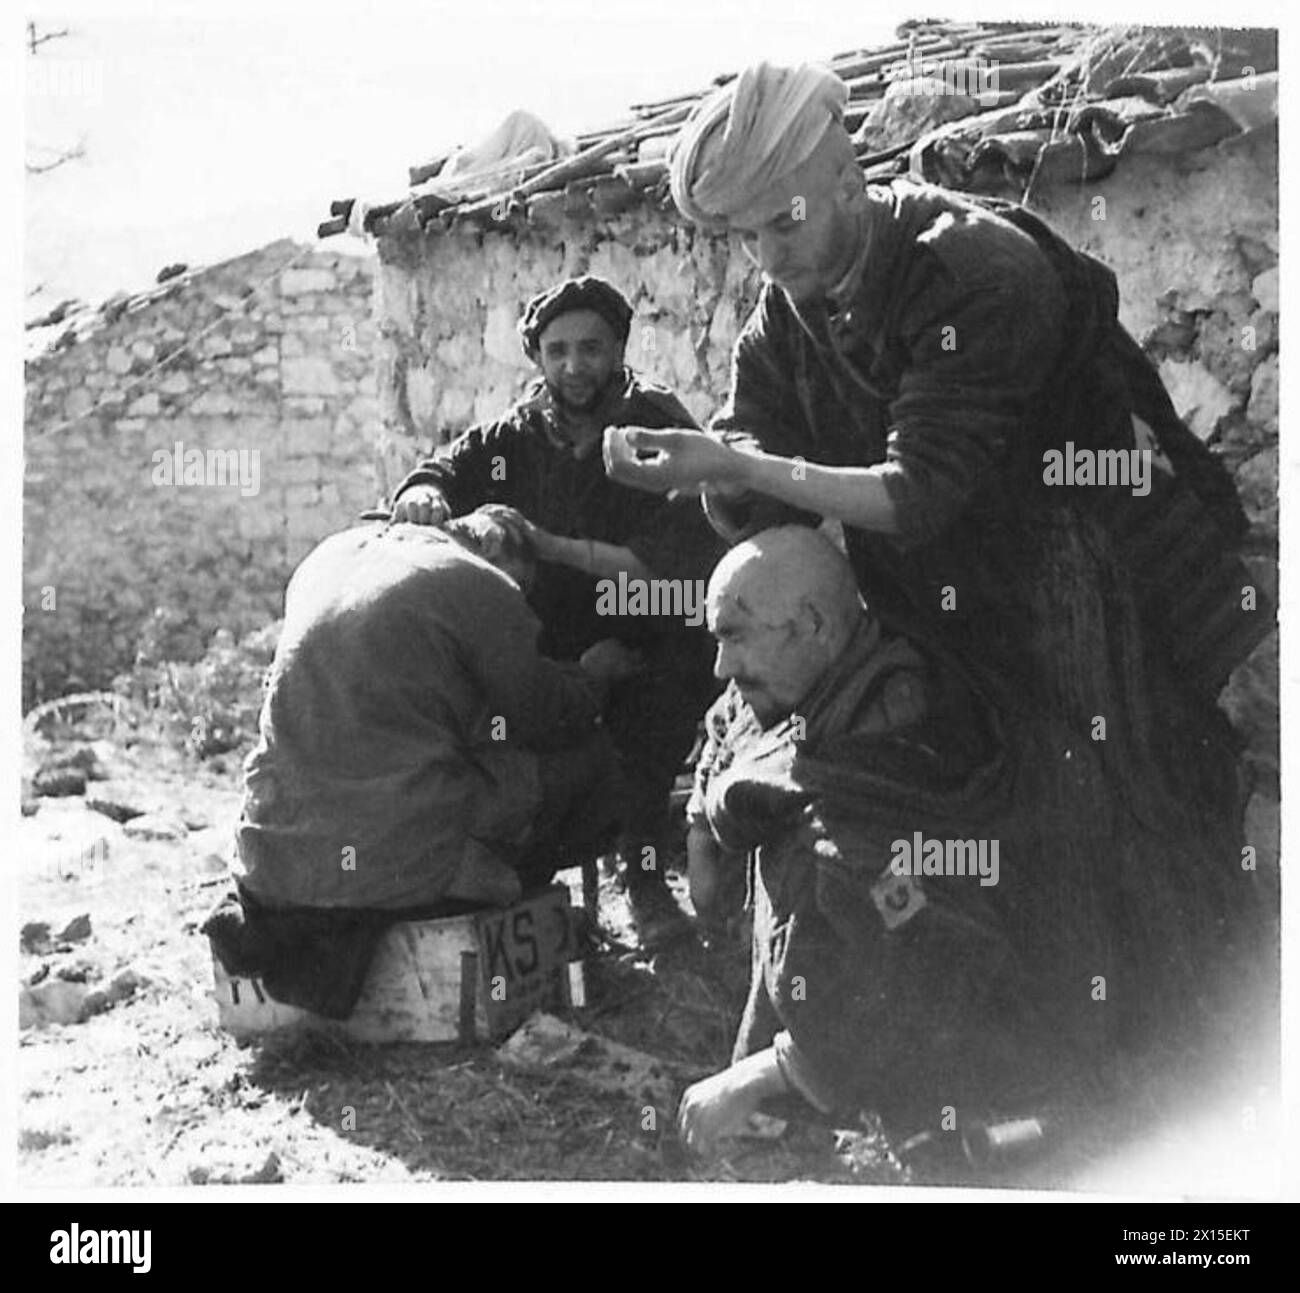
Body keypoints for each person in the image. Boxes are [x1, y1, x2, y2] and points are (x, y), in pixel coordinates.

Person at [606, 63, 1271, 1067]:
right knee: (994, 830)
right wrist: (703, 476)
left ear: (843, 179)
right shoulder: (787, 316)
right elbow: (758, 476)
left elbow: (915, 490)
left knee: (1130, 817)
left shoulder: (972, 269)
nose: (767, 254)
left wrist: (738, 461)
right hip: (949, 596)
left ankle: (1195, 1081)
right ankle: (1020, 1070)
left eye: (780, 223)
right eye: (745, 238)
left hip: (1094, 576)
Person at [678, 528, 1075, 1158]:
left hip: (976, 1029)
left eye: (734, 636)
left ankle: (934, 1130)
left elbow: (923, 969)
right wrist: (703, 835)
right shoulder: (797, 680)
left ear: (812, 623)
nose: (721, 666)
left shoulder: (889, 744)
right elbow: (723, 727)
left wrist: (768, 1072)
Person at [390, 276, 723, 948]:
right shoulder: (515, 433)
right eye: (559, 350)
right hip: (549, 627)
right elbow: (446, 467)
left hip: (643, 615)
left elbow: (663, 560)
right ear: (539, 358)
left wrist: (549, 545)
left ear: (619, 351)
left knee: (663, 686)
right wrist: (425, 489)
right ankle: (524, 875)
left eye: (592, 349)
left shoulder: (656, 423)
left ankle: (644, 876)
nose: (576, 366)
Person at [206, 506, 629, 1017]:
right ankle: (497, 891)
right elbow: (545, 715)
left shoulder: (328, 556)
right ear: (496, 550)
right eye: (525, 585)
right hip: (394, 865)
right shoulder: (476, 580)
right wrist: (591, 677)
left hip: (271, 864)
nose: (524, 603)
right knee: (596, 764)